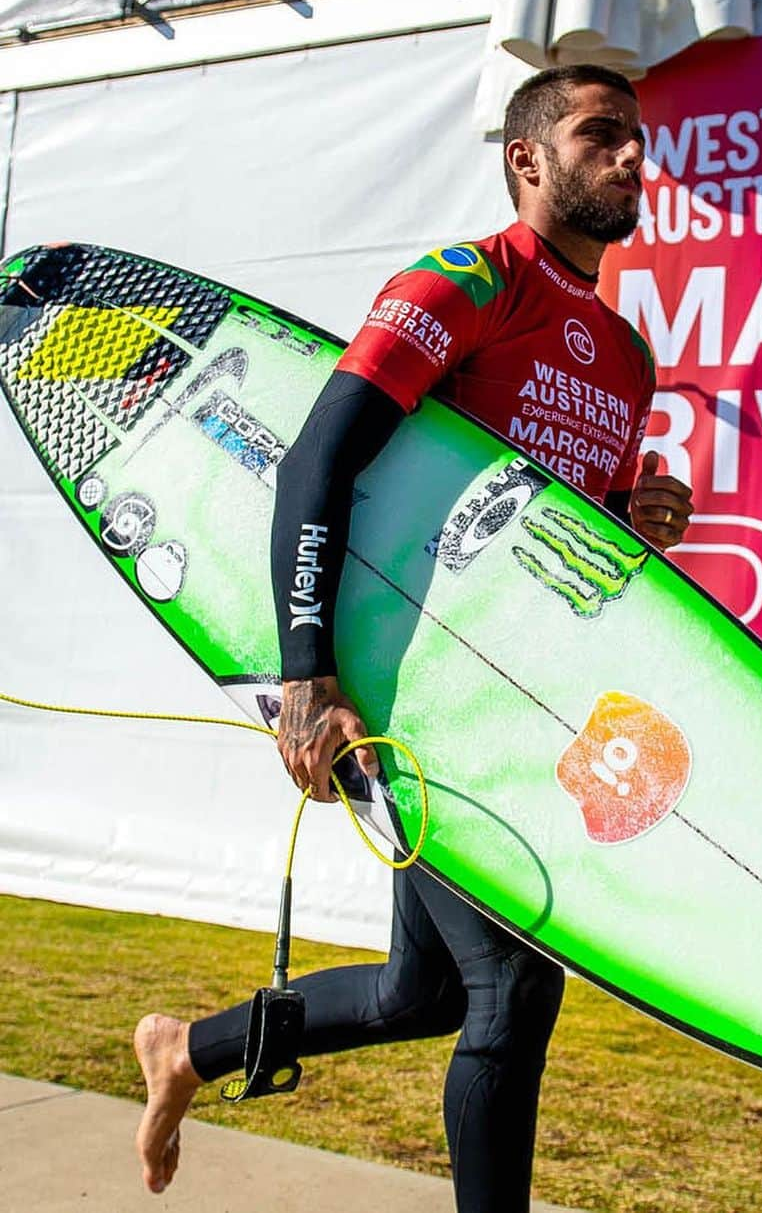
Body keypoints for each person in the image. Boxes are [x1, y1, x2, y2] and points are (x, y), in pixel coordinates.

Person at [133, 64, 694, 1211]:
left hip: (515, 694)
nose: (632, 157)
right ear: (527, 158)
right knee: (510, 989)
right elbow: (317, 460)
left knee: (421, 991)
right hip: (412, 687)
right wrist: (306, 673)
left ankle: (186, 1048)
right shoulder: (465, 280)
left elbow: (550, 547)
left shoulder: (630, 357)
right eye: (601, 137)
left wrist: (633, 526)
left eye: (638, 138)